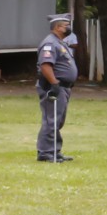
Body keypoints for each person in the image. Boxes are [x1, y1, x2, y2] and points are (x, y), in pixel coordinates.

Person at [36, 13, 77, 163]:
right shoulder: (50, 43)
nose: (69, 28)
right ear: (58, 27)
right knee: (51, 119)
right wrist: (54, 83)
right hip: (53, 86)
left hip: (63, 87)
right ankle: (46, 152)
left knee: (58, 120)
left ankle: (54, 150)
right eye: (66, 25)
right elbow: (45, 65)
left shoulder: (60, 43)